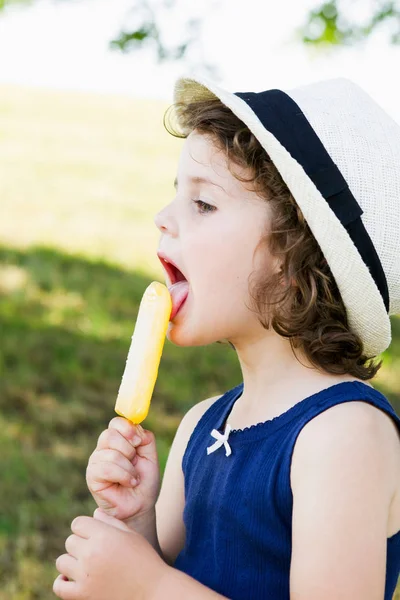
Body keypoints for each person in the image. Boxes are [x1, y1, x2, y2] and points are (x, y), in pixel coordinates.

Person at [54, 75, 400, 599]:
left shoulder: (343, 434)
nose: (163, 219)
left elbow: (161, 590)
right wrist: (136, 519)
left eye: (204, 204)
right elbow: (179, 575)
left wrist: (147, 586)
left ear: (291, 253)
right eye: (176, 196)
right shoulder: (200, 425)